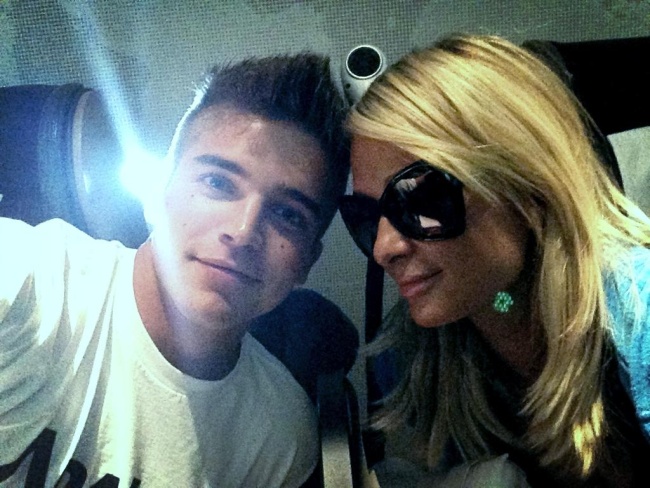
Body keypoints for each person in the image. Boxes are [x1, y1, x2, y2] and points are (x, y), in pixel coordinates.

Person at [0, 53, 349, 487]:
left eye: (288, 214)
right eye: (218, 183)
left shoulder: (281, 439)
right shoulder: (28, 278)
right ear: (156, 192)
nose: (244, 232)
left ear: (307, 261)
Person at [339, 34, 650, 487]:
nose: (384, 247)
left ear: (527, 185)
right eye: (366, 216)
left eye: (421, 198)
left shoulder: (641, 317)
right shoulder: (412, 358)